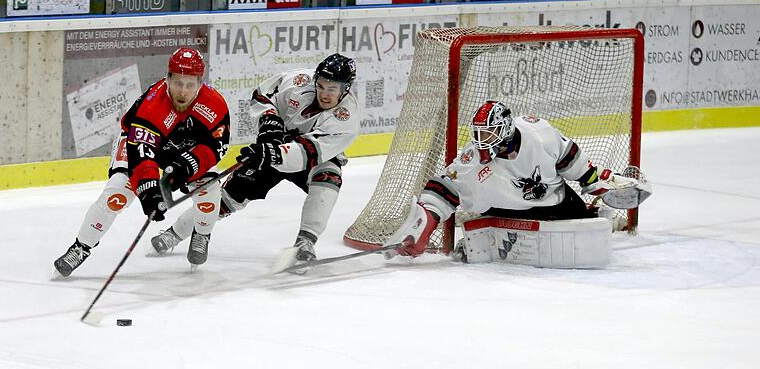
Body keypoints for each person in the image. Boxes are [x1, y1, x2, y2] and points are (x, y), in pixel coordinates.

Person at [148, 54, 359, 269]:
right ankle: (175, 233)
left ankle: (306, 240)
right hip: (274, 145)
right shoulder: (298, 82)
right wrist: (270, 122)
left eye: (332, 89)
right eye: (321, 85)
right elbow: (262, 94)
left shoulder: (346, 118)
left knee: (329, 178)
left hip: (312, 160)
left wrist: (273, 153)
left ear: (346, 89)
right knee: (227, 198)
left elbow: (311, 152)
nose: (324, 93)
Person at [385, 101, 650, 258]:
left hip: (554, 203)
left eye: (488, 135)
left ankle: (595, 212)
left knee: (583, 228)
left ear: (506, 130)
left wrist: (600, 182)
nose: (481, 142)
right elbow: (444, 186)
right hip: (507, 211)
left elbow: (572, 161)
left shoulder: (541, 135)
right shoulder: (472, 158)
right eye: (478, 134)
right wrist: (424, 225)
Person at [53, 48, 231, 277]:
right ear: (167, 78)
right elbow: (142, 153)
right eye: (177, 83)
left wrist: (186, 166)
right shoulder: (153, 104)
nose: (183, 92)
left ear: (200, 82)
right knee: (116, 195)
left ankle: (202, 234)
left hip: (183, 151)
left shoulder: (214, 104)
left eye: (190, 84)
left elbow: (217, 145)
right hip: (137, 145)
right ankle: (81, 247)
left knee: (210, 192)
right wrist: (149, 191)